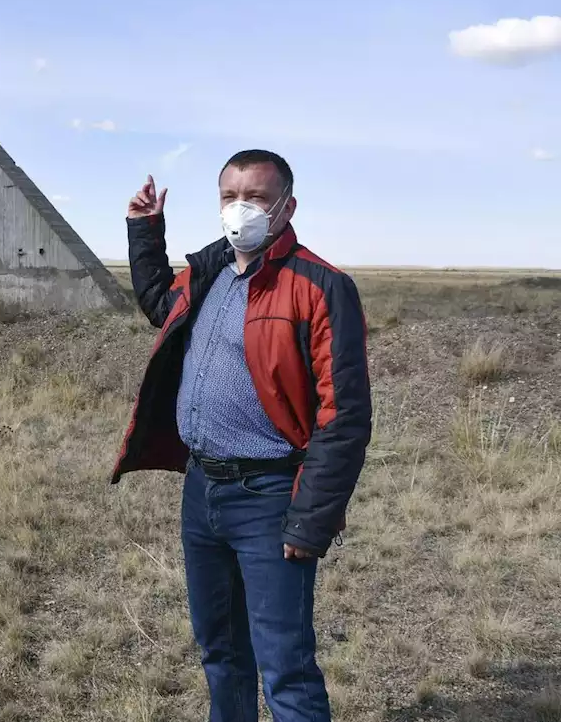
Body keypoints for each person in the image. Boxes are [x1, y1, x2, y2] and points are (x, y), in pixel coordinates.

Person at [110, 149, 372, 722]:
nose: (240, 208)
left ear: (286, 206)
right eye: (230, 196)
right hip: (202, 492)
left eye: (255, 197)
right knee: (222, 654)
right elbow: (161, 305)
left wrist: (310, 518)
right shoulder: (208, 274)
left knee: (286, 668)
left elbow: (344, 416)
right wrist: (144, 230)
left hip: (271, 498)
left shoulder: (320, 286)